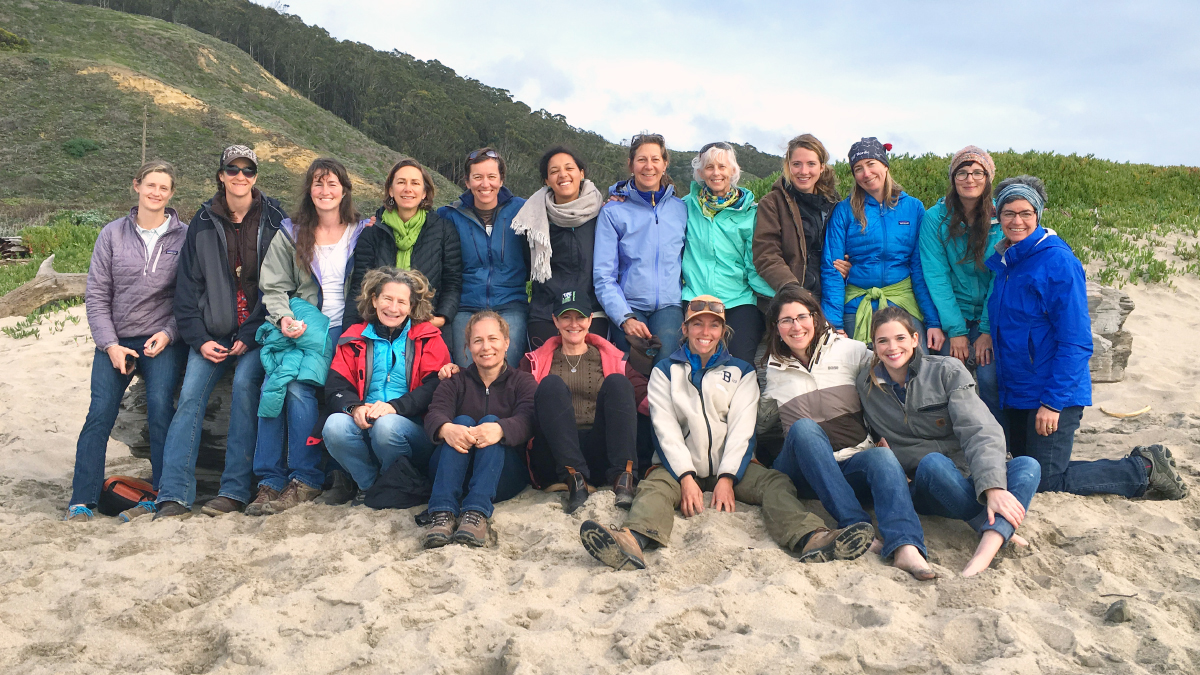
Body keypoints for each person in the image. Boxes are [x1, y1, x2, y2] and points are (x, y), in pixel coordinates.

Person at [578, 296, 871, 571]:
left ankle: (811, 537)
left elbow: (743, 430)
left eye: (714, 325)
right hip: (677, 468)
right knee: (653, 489)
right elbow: (664, 430)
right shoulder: (665, 371)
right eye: (697, 324)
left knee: (776, 484)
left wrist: (727, 478)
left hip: (732, 467)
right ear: (685, 328)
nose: (706, 332)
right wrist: (686, 477)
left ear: (723, 330)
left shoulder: (741, 371)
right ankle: (632, 540)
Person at [986, 176, 1187, 500]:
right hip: (1019, 392)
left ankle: (1144, 470)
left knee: (1045, 479)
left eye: (1025, 212)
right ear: (998, 214)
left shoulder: (1057, 262)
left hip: (1052, 394)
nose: (1017, 221)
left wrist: (1052, 402)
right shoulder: (1006, 262)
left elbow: (1077, 341)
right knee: (1021, 468)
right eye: (1009, 213)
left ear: (1039, 214)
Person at [760, 287, 931, 579]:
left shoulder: (848, 350)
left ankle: (906, 546)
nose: (795, 326)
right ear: (776, 328)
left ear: (815, 317)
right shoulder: (772, 369)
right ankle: (856, 526)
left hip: (851, 462)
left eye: (802, 316)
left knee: (880, 457)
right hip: (804, 473)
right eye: (786, 320)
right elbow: (759, 422)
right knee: (803, 428)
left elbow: (890, 367)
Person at [858, 306, 1042, 576]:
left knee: (1028, 466)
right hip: (927, 485)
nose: (892, 347)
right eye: (882, 341)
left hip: (970, 473)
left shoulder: (946, 370)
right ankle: (992, 530)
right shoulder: (866, 384)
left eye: (900, 338)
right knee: (932, 463)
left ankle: (988, 545)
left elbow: (979, 428)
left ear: (915, 339)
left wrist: (992, 488)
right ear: (873, 346)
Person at [155, 145, 286, 519]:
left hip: (258, 334)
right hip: (211, 333)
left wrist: (251, 332)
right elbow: (186, 291)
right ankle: (174, 493)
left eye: (247, 170)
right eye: (233, 169)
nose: (240, 176)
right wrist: (200, 339)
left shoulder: (275, 218)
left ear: (256, 176)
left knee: (246, 387)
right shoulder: (202, 221)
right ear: (221, 174)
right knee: (191, 396)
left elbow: (279, 285)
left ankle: (233, 490)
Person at [65, 161, 189, 522]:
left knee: (161, 409)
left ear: (171, 193)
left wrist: (168, 333)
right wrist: (110, 344)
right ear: (136, 186)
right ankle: (82, 499)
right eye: (150, 185)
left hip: (162, 339)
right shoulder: (112, 234)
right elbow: (98, 295)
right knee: (99, 412)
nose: (156, 192)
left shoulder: (184, 237)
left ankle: (163, 494)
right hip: (117, 339)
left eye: (163, 187)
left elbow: (188, 297)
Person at [246, 157, 365, 515]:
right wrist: (283, 319)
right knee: (276, 382)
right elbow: (274, 286)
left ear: (344, 189)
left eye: (332, 184)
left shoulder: (363, 230)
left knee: (299, 385)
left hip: (347, 327)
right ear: (309, 189)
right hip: (304, 325)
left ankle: (306, 477)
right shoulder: (291, 232)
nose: (325, 191)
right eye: (318, 183)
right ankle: (269, 480)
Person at [323, 268, 451, 499]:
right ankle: (370, 487)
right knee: (334, 426)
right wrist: (356, 408)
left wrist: (395, 407)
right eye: (387, 299)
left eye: (402, 301)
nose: (393, 308)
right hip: (366, 422)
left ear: (411, 306)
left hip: (411, 430)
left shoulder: (428, 337)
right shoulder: (354, 336)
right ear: (374, 300)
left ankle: (398, 482)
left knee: (387, 426)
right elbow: (336, 388)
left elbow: (435, 389)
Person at [519, 293, 647, 513]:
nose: (573, 324)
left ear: (590, 320)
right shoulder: (534, 361)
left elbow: (644, 396)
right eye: (565, 317)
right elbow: (519, 399)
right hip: (556, 455)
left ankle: (623, 478)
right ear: (555, 321)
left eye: (579, 317)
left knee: (618, 382)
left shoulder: (614, 358)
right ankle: (574, 480)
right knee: (550, 385)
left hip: (599, 448)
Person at [422, 312, 536, 548]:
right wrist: (446, 429)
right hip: (453, 474)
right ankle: (442, 513)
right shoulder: (455, 380)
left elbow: (530, 418)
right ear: (468, 347)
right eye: (478, 340)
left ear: (506, 343)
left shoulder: (523, 382)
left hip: (500, 476)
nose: (486, 347)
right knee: (461, 420)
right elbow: (434, 413)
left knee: (493, 420)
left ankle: (476, 513)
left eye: (493, 339)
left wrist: (501, 429)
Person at [821, 137, 941, 348]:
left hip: (902, 301)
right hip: (857, 304)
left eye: (871, 164)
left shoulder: (913, 208)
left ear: (885, 165)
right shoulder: (844, 210)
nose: (866, 173)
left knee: (917, 363)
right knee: (860, 368)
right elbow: (832, 269)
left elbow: (919, 267)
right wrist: (834, 324)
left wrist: (932, 321)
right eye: (858, 168)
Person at [918, 146, 1003, 423]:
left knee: (991, 379)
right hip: (951, 315)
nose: (970, 179)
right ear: (953, 179)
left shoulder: (1000, 219)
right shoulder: (935, 218)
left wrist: (987, 330)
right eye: (962, 172)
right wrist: (955, 330)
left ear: (988, 178)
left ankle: (1002, 444)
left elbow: (997, 277)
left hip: (989, 315)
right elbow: (936, 274)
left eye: (978, 172)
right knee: (947, 375)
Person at [593, 133, 687, 364]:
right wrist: (625, 318)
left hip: (670, 305)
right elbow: (603, 275)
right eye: (642, 159)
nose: (649, 166)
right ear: (631, 164)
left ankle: (660, 401)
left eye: (655, 159)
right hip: (628, 304)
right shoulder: (613, 211)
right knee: (632, 365)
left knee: (667, 360)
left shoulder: (681, 209)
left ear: (665, 164)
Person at [344, 158, 461, 336]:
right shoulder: (373, 232)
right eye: (401, 182)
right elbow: (359, 286)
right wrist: (350, 333)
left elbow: (452, 282)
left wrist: (441, 318)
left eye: (415, 183)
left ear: (424, 193)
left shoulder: (444, 230)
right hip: (380, 325)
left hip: (428, 325)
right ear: (391, 190)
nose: (408, 189)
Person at [680, 142, 774, 363]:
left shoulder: (750, 212)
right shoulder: (684, 207)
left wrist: (782, 295)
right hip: (695, 296)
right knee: (692, 361)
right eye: (709, 167)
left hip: (738, 300)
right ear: (700, 172)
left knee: (741, 361)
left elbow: (754, 264)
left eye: (722, 166)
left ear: (733, 170)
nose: (716, 173)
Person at [438, 148, 528, 367]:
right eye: (477, 177)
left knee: (506, 372)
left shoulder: (524, 209)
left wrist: (613, 197)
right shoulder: (449, 215)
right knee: (467, 372)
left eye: (491, 177)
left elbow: (559, 206)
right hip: (466, 305)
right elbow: (416, 217)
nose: (485, 184)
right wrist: (381, 217)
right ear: (467, 182)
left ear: (501, 179)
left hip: (511, 304)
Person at [512, 146, 608, 347]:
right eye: (554, 171)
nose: (562, 175)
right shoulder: (532, 219)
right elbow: (526, 267)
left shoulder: (604, 214)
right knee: (544, 375)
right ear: (546, 180)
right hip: (546, 311)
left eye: (569, 168)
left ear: (581, 173)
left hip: (591, 310)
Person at [753, 134, 841, 305]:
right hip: (787, 298)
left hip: (831, 299)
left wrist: (847, 264)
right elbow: (766, 254)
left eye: (811, 164)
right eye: (796, 164)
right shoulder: (772, 203)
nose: (803, 171)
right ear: (788, 166)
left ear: (822, 167)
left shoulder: (834, 204)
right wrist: (792, 290)